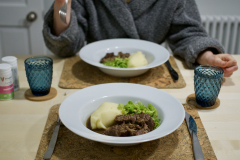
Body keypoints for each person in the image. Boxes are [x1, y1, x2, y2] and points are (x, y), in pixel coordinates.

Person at [43, 0, 238, 77]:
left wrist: (208, 57)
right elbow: (66, 45)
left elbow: (188, 34)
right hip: (97, 77)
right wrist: (63, 1)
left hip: (151, 76)